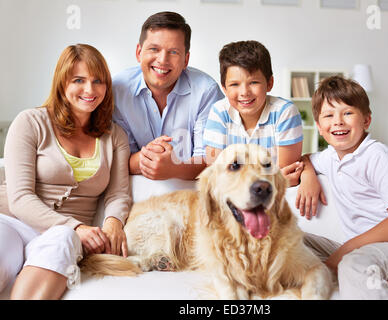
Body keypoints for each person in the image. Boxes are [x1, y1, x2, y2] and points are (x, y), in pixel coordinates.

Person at [0, 44, 132, 299]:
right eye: (79, 80)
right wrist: (77, 227)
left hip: (63, 235)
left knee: (62, 238)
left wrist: (114, 222)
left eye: (98, 81)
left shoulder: (115, 136)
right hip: (12, 222)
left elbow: (118, 194)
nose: (90, 90)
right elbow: (20, 199)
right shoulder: (30, 122)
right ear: (62, 83)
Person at [296, 76, 388, 299]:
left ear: (366, 120)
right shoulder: (330, 157)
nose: (337, 121)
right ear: (319, 127)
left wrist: (342, 253)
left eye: (347, 113)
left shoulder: (378, 156)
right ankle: (377, 281)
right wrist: (308, 176)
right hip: (363, 251)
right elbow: (306, 158)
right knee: (289, 240)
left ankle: (369, 277)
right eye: (329, 115)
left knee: (352, 263)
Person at [112, 11, 224, 180]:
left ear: (186, 60)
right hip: (135, 188)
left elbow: (211, 160)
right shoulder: (118, 90)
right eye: (154, 49)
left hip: (190, 191)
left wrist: (173, 169)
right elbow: (117, 160)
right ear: (138, 52)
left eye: (173, 52)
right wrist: (147, 158)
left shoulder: (206, 91)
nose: (162, 60)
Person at [203, 40, 308, 187]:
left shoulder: (284, 112)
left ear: (269, 83)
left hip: (275, 198)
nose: (244, 92)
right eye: (234, 84)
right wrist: (274, 180)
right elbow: (215, 172)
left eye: (253, 82)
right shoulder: (219, 111)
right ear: (224, 88)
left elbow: (287, 174)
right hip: (235, 196)